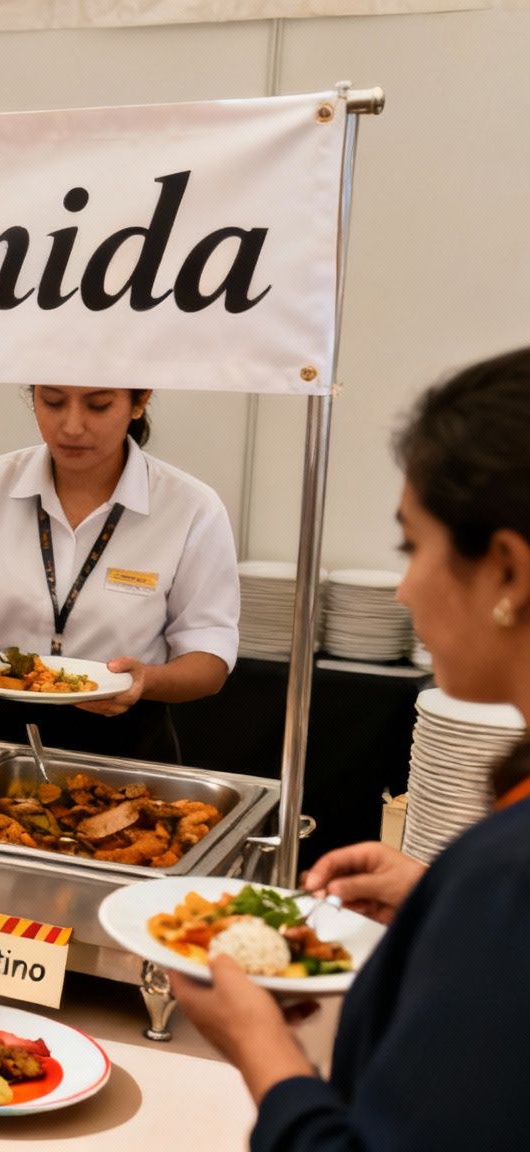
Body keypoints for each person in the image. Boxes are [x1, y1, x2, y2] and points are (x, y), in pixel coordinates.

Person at [173, 348, 530, 1151]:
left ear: (506, 567)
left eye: (412, 547)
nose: (403, 589)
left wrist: (260, 1048)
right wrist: (438, 901)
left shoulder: (511, 873)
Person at [0, 386, 238, 761]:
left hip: (124, 742)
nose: (72, 426)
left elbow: (209, 661)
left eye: (99, 405)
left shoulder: (189, 507)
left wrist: (146, 680)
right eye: (53, 402)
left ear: (139, 403)